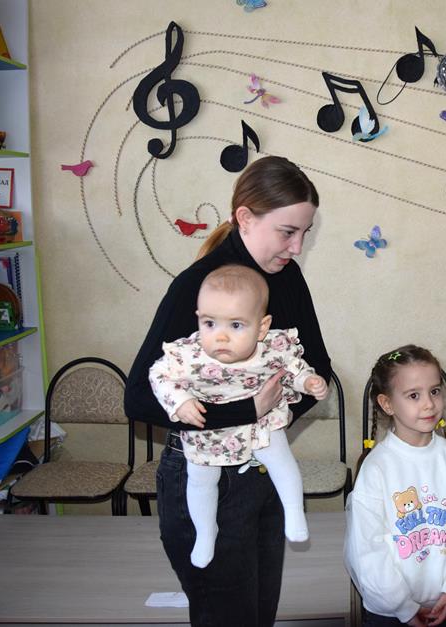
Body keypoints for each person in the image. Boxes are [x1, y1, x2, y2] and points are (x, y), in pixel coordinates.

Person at [125, 156, 330, 626]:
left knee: (258, 616)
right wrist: (244, 412)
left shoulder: (286, 276)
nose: (297, 247)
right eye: (287, 232)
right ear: (245, 218)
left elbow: (317, 365)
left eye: (305, 232)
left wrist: (270, 419)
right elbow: (137, 397)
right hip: (204, 475)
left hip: (260, 472)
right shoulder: (196, 287)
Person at [148, 264, 329, 568]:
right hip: (211, 429)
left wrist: (308, 381)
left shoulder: (272, 348)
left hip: (261, 424)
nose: (220, 337)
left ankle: (295, 513)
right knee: (200, 480)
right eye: (209, 323)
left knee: (282, 462)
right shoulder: (189, 355)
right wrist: (180, 402)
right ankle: (206, 533)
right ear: (198, 318)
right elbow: (158, 375)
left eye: (235, 325)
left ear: (262, 327)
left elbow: (293, 368)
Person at [345, 345, 446, 627]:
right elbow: (368, 551)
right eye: (414, 395)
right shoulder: (376, 468)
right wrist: (404, 607)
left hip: (444, 601)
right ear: (387, 404)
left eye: (435, 391)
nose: (429, 404)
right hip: (390, 611)